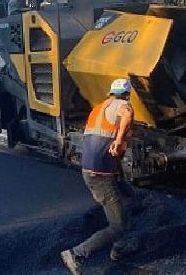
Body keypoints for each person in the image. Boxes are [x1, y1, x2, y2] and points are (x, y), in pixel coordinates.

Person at [61, 79, 135, 275]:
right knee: (117, 225)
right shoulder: (123, 105)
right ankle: (76, 253)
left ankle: (120, 248)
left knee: (123, 201)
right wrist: (119, 141)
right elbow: (127, 113)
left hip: (90, 172)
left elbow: (100, 144)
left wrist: (119, 174)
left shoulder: (99, 109)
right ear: (127, 94)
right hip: (101, 175)